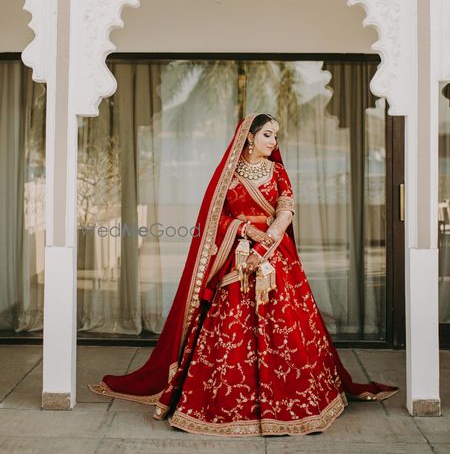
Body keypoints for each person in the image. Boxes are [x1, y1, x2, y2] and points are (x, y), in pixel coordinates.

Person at [88, 112, 399, 436]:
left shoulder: (278, 171)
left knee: (290, 327)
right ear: (249, 137)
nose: (273, 142)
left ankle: (298, 401)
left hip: (275, 255)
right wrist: (248, 230)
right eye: (267, 135)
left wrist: (271, 235)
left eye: (276, 136)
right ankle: (223, 403)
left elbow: (287, 208)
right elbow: (215, 220)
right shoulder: (228, 176)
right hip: (236, 255)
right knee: (229, 328)